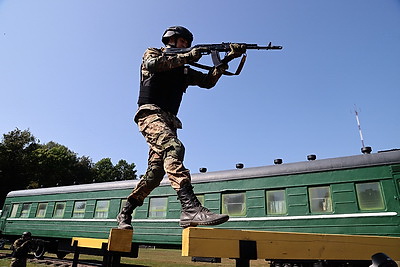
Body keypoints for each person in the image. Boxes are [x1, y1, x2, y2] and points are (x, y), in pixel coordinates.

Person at [117, 26, 246, 229]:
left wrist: (228, 59)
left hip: (169, 120)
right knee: (174, 148)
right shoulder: (154, 53)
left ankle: (125, 212)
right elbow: (153, 65)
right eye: (182, 42)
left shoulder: (183, 69)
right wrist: (187, 56)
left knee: (155, 174)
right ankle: (190, 208)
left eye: (188, 43)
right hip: (150, 114)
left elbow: (207, 81)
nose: (186, 45)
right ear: (171, 40)